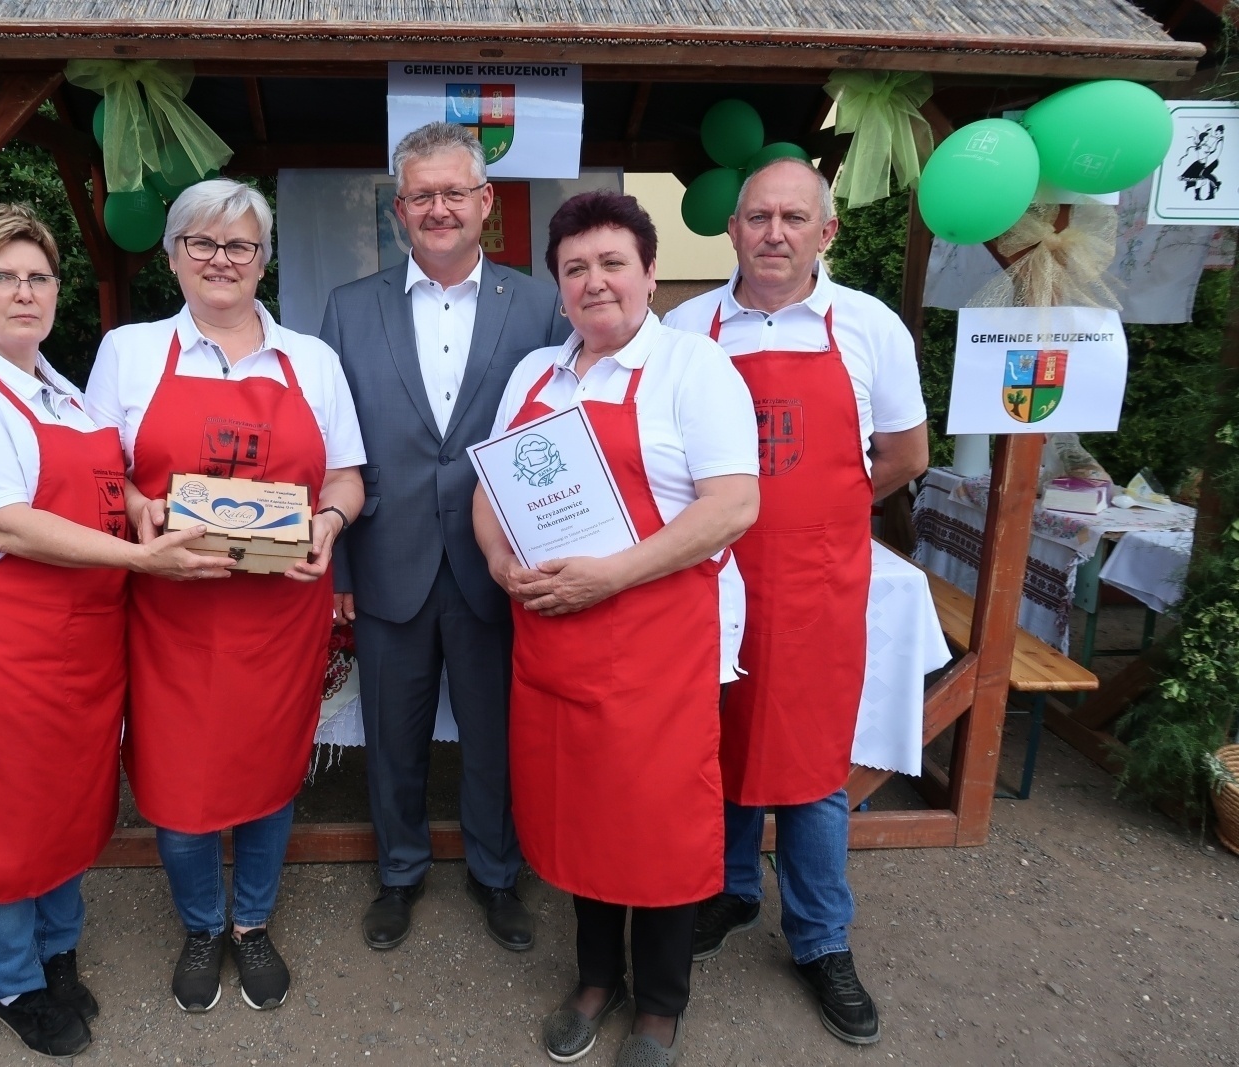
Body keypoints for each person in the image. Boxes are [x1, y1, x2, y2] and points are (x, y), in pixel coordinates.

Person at [0, 204, 218, 1057]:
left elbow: (103, 488)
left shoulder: (60, 388)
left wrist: (145, 508)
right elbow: (6, 525)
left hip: (72, 651)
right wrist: (142, 561)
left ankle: (55, 946)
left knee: (68, 809)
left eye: (38, 276)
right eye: (3, 277)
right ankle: (14, 981)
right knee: (4, 826)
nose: (25, 291)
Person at [476, 190, 758, 1066]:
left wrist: (612, 574)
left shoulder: (696, 370)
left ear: (649, 274)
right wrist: (498, 562)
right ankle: (596, 976)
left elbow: (733, 506)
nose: (594, 282)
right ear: (558, 287)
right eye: (575, 268)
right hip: (557, 638)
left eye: (611, 264)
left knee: (658, 824)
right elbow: (490, 492)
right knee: (581, 812)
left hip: (658, 645)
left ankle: (660, 1005)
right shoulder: (535, 375)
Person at [664, 158, 929, 1047]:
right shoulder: (686, 327)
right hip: (711, 578)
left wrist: (817, 519)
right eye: (758, 216)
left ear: (828, 232)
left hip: (816, 587)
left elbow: (902, 456)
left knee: (814, 768)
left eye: (793, 217)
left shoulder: (869, 327)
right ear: (731, 230)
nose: (774, 232)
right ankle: (733, 892)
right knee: (719, 739)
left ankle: (821, 938)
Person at [86, 179, 366, 1014]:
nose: (221, 259)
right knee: (176, 779)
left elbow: (348, 475)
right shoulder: (129, 352)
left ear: (263, 260)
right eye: (201, 243)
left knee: (271, 768)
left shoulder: (310, 360)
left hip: (281, 612)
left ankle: (252, 922)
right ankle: (202, 922)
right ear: (172, 255)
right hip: (172, 609)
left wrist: (327, 522)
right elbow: (101, 479)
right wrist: (137, 510)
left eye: (239, 245)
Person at [319, 121, 568, 953]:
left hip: (497, 564)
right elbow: (334, 445)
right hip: (388, 560)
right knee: (392, 734)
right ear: (399, 208)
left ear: (485, 203)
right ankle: (399, 872)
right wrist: (341, 560)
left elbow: (564, 433)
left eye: (453, 192)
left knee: (498, 736)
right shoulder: (350, 309)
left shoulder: (540, 304)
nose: (438, 208)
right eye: (421, 195)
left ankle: (498, 875)